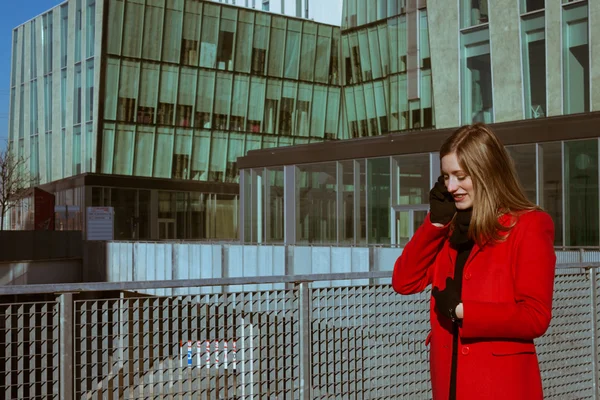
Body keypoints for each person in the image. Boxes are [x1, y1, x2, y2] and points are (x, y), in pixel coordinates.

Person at [392, 123, 556, 400]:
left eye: (461, 176)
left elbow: (535, 316)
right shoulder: (448, 228)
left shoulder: (529, 225)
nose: (451, 186)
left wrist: (463, 311)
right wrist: (435, 223)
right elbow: (404, 281)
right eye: (446, 177)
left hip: (499, 385)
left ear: (487, 173)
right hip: (448, 382)